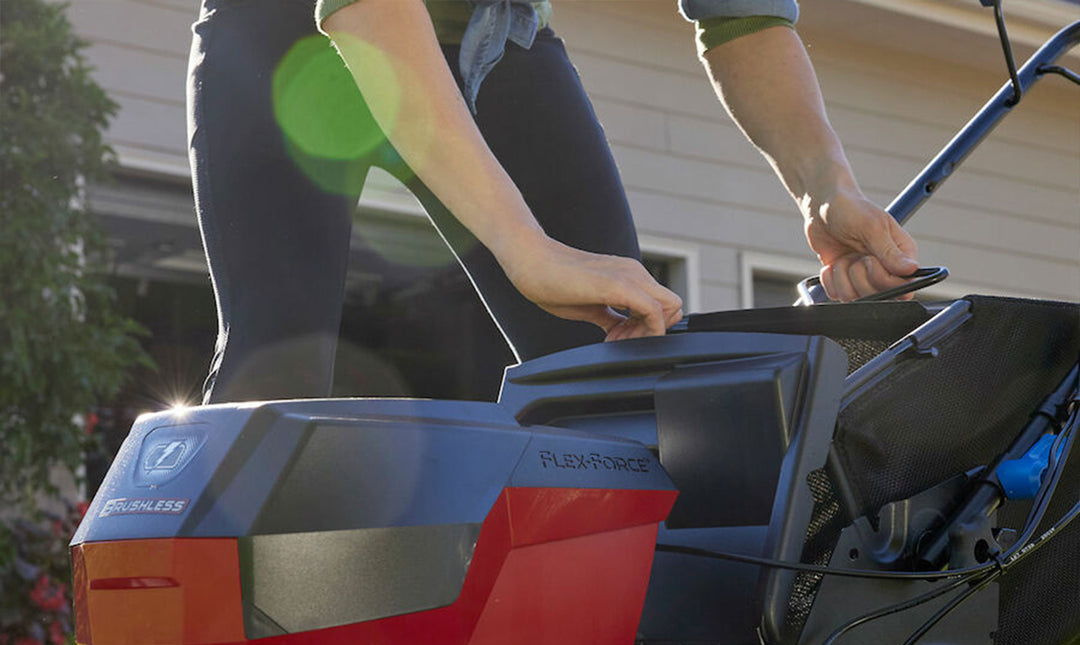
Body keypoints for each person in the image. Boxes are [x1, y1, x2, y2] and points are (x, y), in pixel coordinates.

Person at [188, 0, 918, 403]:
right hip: (293, 29)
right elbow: (366, 10)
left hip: (494, 31)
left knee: (618, 369)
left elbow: (744, 16)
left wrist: (829, 189)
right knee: (277, 371)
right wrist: (526, 246)